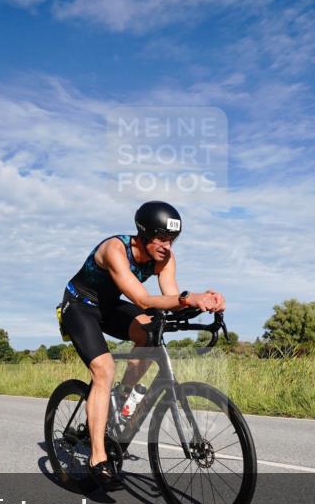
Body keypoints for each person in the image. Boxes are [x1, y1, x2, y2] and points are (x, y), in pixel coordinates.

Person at [58, 201, 225, 488]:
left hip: (109, 307)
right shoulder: (114, 249)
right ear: (143, 234)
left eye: (171, 240)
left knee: (151, 332)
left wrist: (205, 303)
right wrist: (189, 297)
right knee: (104, 369)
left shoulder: (165, 258)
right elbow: (143, 300)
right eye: (160, 238)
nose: (166, 246)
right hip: (80, 306)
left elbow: (171, 299)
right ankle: (97, 457)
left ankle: (122, 397)